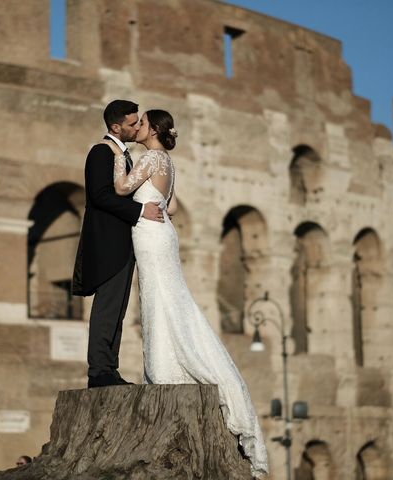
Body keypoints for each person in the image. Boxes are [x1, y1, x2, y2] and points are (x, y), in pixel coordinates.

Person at [107, 109, 269, 478]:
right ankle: (171, 366)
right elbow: (174, 205)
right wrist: (155, 203)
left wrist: (119, 160)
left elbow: (120, 188)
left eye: (142, 123)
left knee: (157, 298)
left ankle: (164, 370)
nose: (138, 127)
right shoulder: (168, 161)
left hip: (149, 235)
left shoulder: (148, 156)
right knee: (170, 296)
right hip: (163, 231)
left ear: (153, 130)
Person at [72, 100, 164, 389]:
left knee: (118, 310)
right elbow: (100, 195)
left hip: (122, 243)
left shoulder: (121, 155)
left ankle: (109, 369)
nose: (137, 127)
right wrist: (140, 212)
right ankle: (99, 372)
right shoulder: (101, 152)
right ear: (116, 127)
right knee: (107, 308)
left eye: (139, 122)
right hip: (108, 243)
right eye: (132, 123)